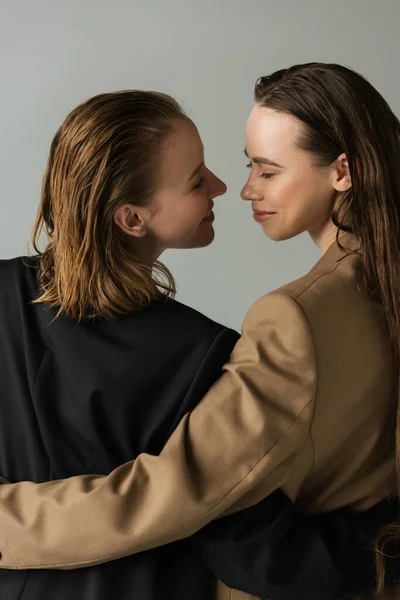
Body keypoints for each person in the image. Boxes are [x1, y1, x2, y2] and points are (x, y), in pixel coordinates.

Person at [0, 65, 399, 599]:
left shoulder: (280, 322)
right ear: (132, 218)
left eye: (267, 169)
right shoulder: (215, 343)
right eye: (206, 176)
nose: (232, 187)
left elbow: (212, 516)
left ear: (343, 171)